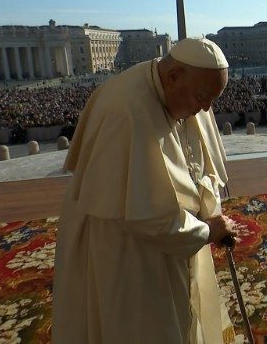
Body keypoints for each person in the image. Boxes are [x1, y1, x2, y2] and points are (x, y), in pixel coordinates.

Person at [53, 38, 239, 343]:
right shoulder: (125, 111)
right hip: (128, 249)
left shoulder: (184, 90)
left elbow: (202, 165)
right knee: (148, 327)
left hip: (168, 235)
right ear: (174, 76)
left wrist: (208, 209)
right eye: (203, 97)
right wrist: (206, 230)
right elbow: (145, 217)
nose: (206, 109)